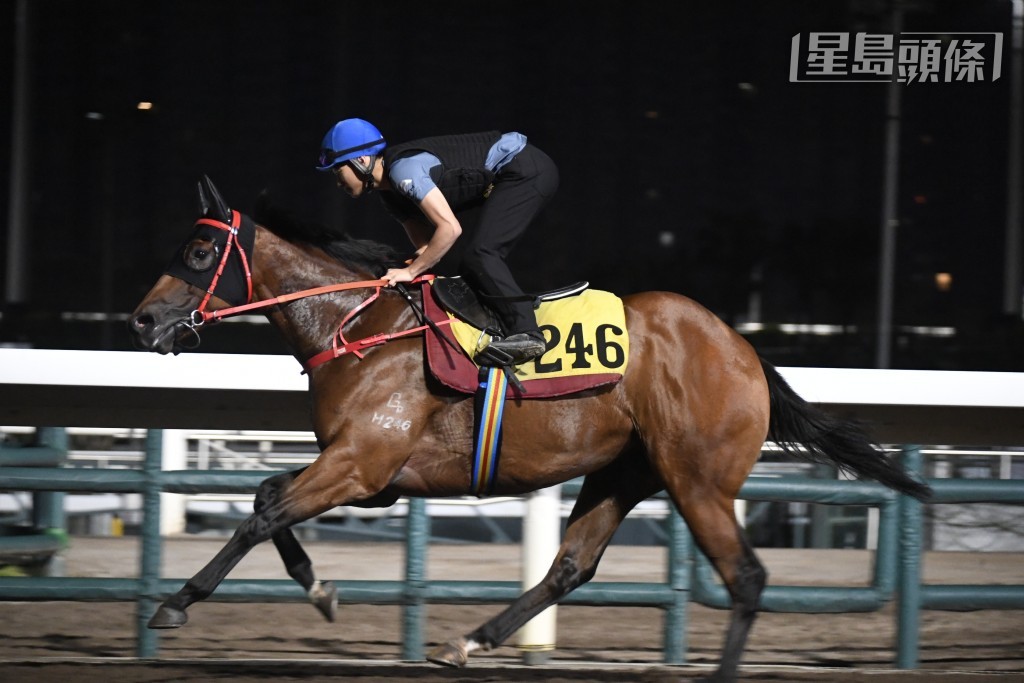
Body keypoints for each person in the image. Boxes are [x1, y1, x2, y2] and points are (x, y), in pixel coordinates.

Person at [316, 118, 558, 365]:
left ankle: (529, 333)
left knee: (481, 254)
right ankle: (503, 312)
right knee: (469, 262)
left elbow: (450, 229)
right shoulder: (389, 196)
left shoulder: (403, 171)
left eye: (338, 170)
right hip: (513, 173)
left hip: (527, 169)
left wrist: (410, 271)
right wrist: (409, 268)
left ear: (362, 160)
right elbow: (426, 249)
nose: (338, 181)